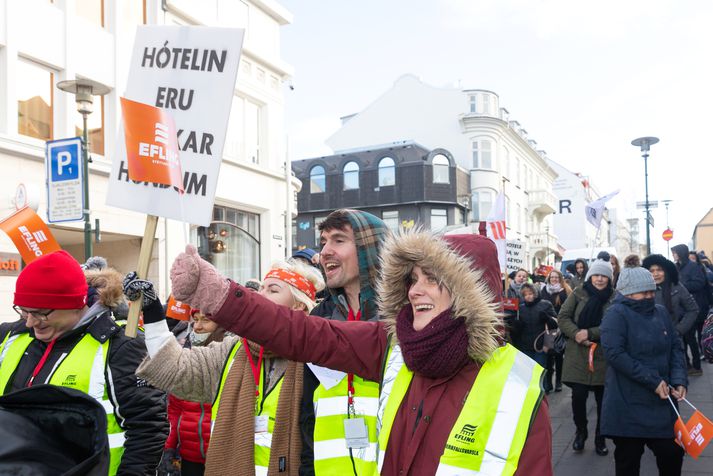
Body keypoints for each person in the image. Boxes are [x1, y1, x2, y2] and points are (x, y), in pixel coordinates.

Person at [169, 231, 553, 475]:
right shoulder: (390, 345)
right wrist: (219, 294)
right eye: (412, 279)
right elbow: (301, 332)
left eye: (433, 280)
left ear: (473, 293)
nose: (416, 291)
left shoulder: (518, 386)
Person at [133, 259, 325, 475]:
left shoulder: (318, 356)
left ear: (299, 305)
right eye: (261, 287)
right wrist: (152, 310)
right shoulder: (233, 350)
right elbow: (174, 367)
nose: (261, 295)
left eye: (273, 290)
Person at [0, 251, 168, 475]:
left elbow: (147, 430)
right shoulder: (11, 336)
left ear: (74, 305)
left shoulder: (119, 346)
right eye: (24, 311)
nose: (30, 322)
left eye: (40, 313)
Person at [600, 264, 688, 476]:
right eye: (644, 292)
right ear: (626, 293)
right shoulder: (615, 314)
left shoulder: (660, 312)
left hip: (662, 402)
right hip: (627, 402)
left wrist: (679, 380)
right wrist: (652, 380)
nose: (650, 296)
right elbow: (615, 354)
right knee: (628, 462)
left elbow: (675, 346)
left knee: (672, 454)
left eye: (652, 291)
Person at [159, 309, 228, 476]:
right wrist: (168, 447)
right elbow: (174, 411)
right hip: (189, 456)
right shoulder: (185, 355)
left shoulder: (231, 356)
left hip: (222, 456)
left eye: (205, 320)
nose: (197, 326)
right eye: (195, 320)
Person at [558, 257, 616, 456]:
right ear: (591, 276)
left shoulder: (615, 297)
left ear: (610, 278)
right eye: (597, 275)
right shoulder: (578, 293)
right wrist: (576, 334)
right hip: (578, 353)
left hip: (603, 354)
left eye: (604, 276)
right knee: (579, 396)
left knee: (604, 400)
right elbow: (563, 317)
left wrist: (590, 333)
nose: (600, 279)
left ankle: (601, 437)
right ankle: (580, 431)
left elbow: (614, 324)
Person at [642, 254, 700, 375]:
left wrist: (678, 330)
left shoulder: (676, 287)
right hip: (647, 342)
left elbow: (693, 309)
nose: (656, 274)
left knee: (676, 379)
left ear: (666, 271)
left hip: (672, 342)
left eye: (659, 270)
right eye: (651, 271)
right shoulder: (642, 290)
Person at [672, 243, 710, 372]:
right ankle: (686, 364)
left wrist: (681, 287)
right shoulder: (676, 267)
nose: (673, 255)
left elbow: (699, 283)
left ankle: (696, 366)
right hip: (679, 308)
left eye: (675, 252)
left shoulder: (693, 267)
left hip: (692, 307)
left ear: (681, 253)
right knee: (682, 338)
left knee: (690, 338)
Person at [508, 283, 558, 369]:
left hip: (541, 346)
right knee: (528, 370)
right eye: (525, 295)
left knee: (539, 370)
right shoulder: (520, 309)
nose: (528, 296)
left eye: (530, 293)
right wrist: (516, 324)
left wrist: (547, 318)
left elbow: (555, 324)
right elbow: (515, 331)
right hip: (525, 346)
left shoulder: (545, 305)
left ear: (535, 293)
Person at [540, 269, 572, 392]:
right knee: (548, 357)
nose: (554, 279)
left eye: (556, 277)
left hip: (560, 327)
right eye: (552, 277)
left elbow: (568, 309)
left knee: (558, 355)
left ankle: (558, 381)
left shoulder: (564, 291)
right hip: (548, 328)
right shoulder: (544, 290)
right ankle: (548, 383)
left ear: (560, 278)